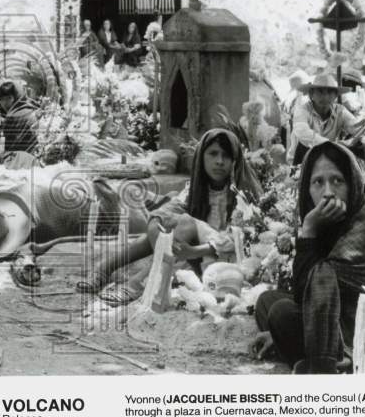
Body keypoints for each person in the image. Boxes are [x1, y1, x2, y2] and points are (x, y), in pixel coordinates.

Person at [252, 141, 365, 373]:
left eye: (337, 181)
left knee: (281, 314)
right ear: (307, 188)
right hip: (347, 305)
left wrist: (309, 230)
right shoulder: (336, 223)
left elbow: (307, 289)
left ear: (354, 184)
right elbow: (306, 292)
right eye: (318, 182)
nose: (327, 192)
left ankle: (323, 361)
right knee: (267, 299)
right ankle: (300, 346)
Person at [76, 128, 261, 306]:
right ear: (201, 157)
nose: (220, 161)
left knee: (185, 223)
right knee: (166, 224)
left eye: (226, 156)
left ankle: (136, 284)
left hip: (226, 260)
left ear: (235, 161)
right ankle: (107, 266)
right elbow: (168, 211)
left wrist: (195, 251)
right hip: (191, 251)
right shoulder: (197, 188)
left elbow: (242, 237)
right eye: (213, 154)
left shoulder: (243, 192)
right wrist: (157, 226)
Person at [287, 73, 365, 168]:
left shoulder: (340, 111)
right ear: (311, 94)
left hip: (329, 158)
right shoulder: (303, 110)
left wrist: (356, 138)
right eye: (320, 92)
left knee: (360, 144)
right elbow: (303, 132)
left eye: (330, 92)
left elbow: (357, 128)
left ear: (335, 96)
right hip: (303, 160)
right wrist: (331, 144)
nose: (325, 97)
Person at [0, 80, 38, 154]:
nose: (5, 103)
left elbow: (6, 149)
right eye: (2, 99)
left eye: (9, 98)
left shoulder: (11, 117)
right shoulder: (31, 109)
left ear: (16, 97)